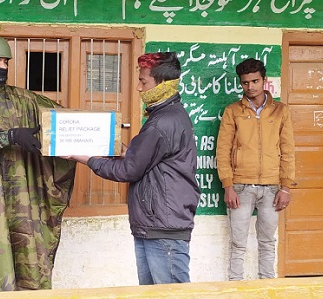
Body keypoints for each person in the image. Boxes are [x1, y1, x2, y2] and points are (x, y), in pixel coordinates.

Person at [0, 34, 76, 292]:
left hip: (25, 196)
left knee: (30, 252)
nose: (4, 67)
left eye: (6, 61)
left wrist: (101, 132)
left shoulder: (24, 99)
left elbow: (63, 119)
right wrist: (12, 136)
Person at [65, 52, 200, 285]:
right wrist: (121, 149)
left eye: (143, 81)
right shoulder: (168, 116)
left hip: (162, 229)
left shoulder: (161, 123)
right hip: (157, 225)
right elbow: (145, 159)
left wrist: (86, 158)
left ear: (163, 83)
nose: (138, 88)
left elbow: (128, 170)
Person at [215, 58, 296, 281]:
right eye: (245, 83)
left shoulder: (281, 111)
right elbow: (222, 151)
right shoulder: (233, 111)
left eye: (255, 81)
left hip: (272, 187)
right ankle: (235, 290)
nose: (250, 87)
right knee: (238, 243)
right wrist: (228, 186)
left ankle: (267, 289)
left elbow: (288, 151)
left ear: (264, 80)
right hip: (240, 187)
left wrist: (286, 187)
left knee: (268, 242)